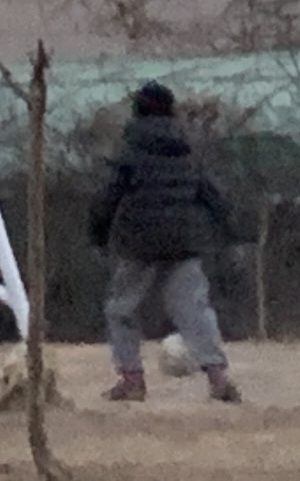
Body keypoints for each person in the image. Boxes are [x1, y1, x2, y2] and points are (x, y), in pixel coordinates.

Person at [88, 81, 241, 404]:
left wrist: (98, 236)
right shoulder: (186, 152)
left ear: (137, 111)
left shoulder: (130, 151)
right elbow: (214, 197)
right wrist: (231, 233)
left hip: (140, 243)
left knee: (122, 309)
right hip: (184, 240)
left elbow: (108, 197)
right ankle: (218, 377)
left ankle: (132, 380)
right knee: (194, 308)